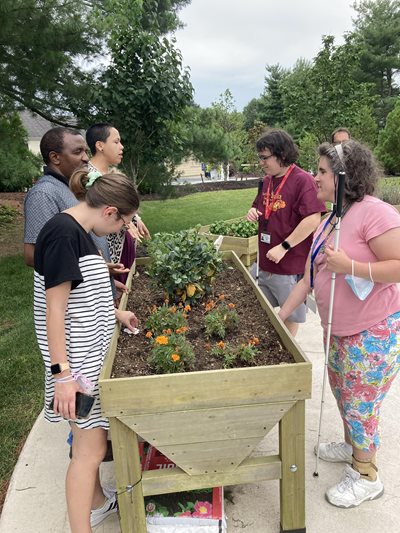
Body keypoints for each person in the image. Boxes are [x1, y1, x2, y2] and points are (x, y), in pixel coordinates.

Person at [278, 140, 400, 508]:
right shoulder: (332, 217)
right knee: (343, 394)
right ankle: (350, 447)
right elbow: (306, 280)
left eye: (321, 172)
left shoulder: (374, 213)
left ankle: (366, 475)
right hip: (340, 333)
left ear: (345, 177)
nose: (315, 177)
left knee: (361, 404)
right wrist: (279, 317)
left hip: (372, 333)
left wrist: (351, 266)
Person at [34, 168, 140, 531]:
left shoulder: (77, 231)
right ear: (110, 211)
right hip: (78, 369)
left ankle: (96, 502)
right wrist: (63, 376)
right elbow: (55, 309)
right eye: (123, 223)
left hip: (86, 362)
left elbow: (81, 296)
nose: (121, 231)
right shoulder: (65, 235)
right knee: (89, 452)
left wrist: (117, 312)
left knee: (88, 447)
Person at [246, 128, 325, 337]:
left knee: (290, 317)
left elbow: (313, 219)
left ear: (281, 154)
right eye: (259, 158)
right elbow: (261, 207)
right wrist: (254, 211)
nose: (261, 163)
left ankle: (288, 356)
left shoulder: (303, 180)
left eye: (265, 158)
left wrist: (284, 246)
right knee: (257, 311)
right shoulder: (267, 180)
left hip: (289, 266)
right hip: (265, 263)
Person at [23, 127, 127, 284]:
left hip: (95, 288)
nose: (86, 158)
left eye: (85, 151)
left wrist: (105, 275)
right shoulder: (44, 194)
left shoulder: (72, 187)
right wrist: (95, 269)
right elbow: (33, 255)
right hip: (76, 300)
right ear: (55, 157)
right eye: (78, 152)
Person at [86, 123, 150, 284]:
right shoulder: (88, 178)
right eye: (116, 142)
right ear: (100, 145)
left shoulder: (111, 174)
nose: (121, 147)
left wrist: (135, 218)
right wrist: (126, 224)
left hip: (122, 247)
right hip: (105, 256)